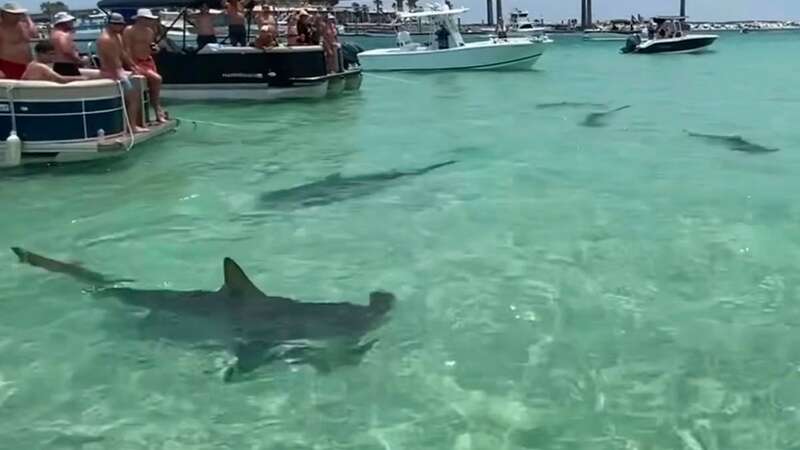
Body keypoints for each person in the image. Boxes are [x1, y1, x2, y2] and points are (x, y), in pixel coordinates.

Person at [96, 13, 147, 133]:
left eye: (121, 24)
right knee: (133, 97)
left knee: (138, 86)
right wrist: (124, 75)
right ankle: (132, 127)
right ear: (109, 24)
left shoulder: (117, 36)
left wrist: (133, 66)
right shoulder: (106, 39)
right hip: (111, 72)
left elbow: (122, 53)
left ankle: (135, 123)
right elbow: (113, 61)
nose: (120, 26)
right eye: (116, 24)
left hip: (119, 70)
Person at [123, 8, 166, 122]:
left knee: (154, 85)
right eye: (147, 19)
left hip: (148, 61)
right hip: (136, 62)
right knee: (157, 79)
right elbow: (126, 50)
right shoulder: (129, 30)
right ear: (140, 19)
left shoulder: (150, 31)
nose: (149, 21)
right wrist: (132, 65)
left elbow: (150, 46)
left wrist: (155, 49)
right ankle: (157, 109)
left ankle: (157, 108)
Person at [0, 2, 37, 79]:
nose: (17, 16)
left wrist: (27, 18)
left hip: (28, 65)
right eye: (14, 14)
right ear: (4, 14)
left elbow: (34, 33)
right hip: (8, 65)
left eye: (19, 13)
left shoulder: (23, 25)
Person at [50, 11, 87, 77]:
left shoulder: (54, 34)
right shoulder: (64, 35)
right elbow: (67, 51)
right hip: (68, 66)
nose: (72, 23)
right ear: (64, 23)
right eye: (70, 21)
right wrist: (80, 61)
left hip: (57, 65)